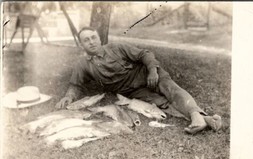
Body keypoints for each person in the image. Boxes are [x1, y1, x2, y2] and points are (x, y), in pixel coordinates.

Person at [56, 27, 222, 134]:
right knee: (162, 104)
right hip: (132, 91)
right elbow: (75, 84)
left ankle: (195, 114)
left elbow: (145, 54)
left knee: (171, 90)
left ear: (99, 39)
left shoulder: (117, 47)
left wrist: (152, 71)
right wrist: (69, 97)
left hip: (148, 75)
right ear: (81, 45)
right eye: (86, 40)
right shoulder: (83, 64)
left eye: (93, 37)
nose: (91, 42)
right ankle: (205, 119)